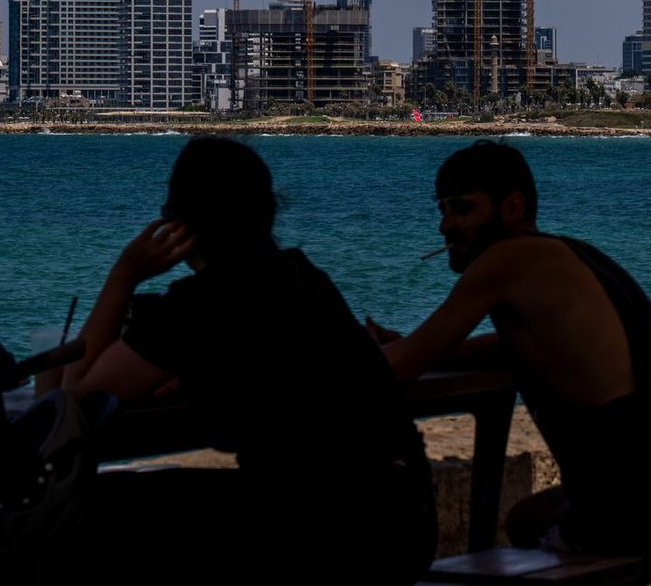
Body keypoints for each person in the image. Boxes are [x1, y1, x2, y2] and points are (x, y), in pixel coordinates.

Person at [63, 136, 436, 585]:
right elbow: (269, 372)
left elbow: (76, 399)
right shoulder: (304, 278)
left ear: (180, 226)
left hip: (321, 534)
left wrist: (124, 274)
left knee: (92, 509)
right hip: (403, 524)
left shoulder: (199, 303)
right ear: (266, 214)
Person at [368, 139, 651, 579]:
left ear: (511, 208)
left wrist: (326, 353)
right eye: (442, 210)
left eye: (461, 208)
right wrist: (416, 342)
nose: (445, 225)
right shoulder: (563, 254)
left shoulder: (505, 259)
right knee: (524, 523)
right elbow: (505, 347)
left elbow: (397, 369)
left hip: (639, 508)